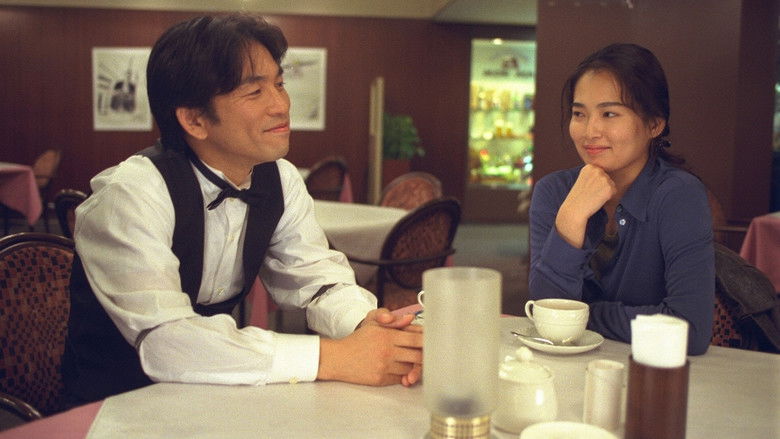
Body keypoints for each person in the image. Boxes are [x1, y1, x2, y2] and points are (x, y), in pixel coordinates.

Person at [62, 14, 422, 405]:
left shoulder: (279, 178)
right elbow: (166, 340)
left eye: (280, 84)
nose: (281, 105)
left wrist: (367, 326)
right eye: (254, 92)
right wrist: (333, 357)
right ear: (195, 119)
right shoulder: (129, 195)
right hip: (115, 405)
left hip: (218, 394)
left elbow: (318, 282)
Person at [528, 43, 714, 355]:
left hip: (650, 372)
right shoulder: (553, 192)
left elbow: (689, 330)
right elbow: (546, 319)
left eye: (609, 113)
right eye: (579, 114)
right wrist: (571, 217)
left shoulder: (679, 195)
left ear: (654, 124)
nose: (590, 131)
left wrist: (582, 316)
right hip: (564, 371)